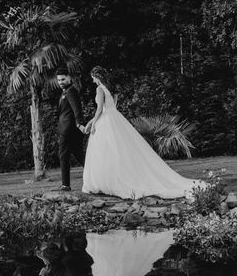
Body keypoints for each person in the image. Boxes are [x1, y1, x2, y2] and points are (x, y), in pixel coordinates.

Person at [82, 66, 204, 199]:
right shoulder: (111, 89)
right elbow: (113, 106)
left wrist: (93, 123)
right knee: (117, 149)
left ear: (97, 76)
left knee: (105, 151)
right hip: (115, 118)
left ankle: (107, 181)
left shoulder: (99, 89)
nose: (93, 81)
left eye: (93, 78)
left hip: (106, 120)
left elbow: (100, 109)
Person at [56, 67, 85, 191]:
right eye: (58, 80)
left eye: (63, 79)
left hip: (68, 130)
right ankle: (97, 175)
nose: (61, 82)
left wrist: (79, 124)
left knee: (63, 155)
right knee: (79, 155)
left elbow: (76, 109)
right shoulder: (65, 91)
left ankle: (65, 185)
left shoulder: (71, 91)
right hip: (68, 129)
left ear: (69, 77)